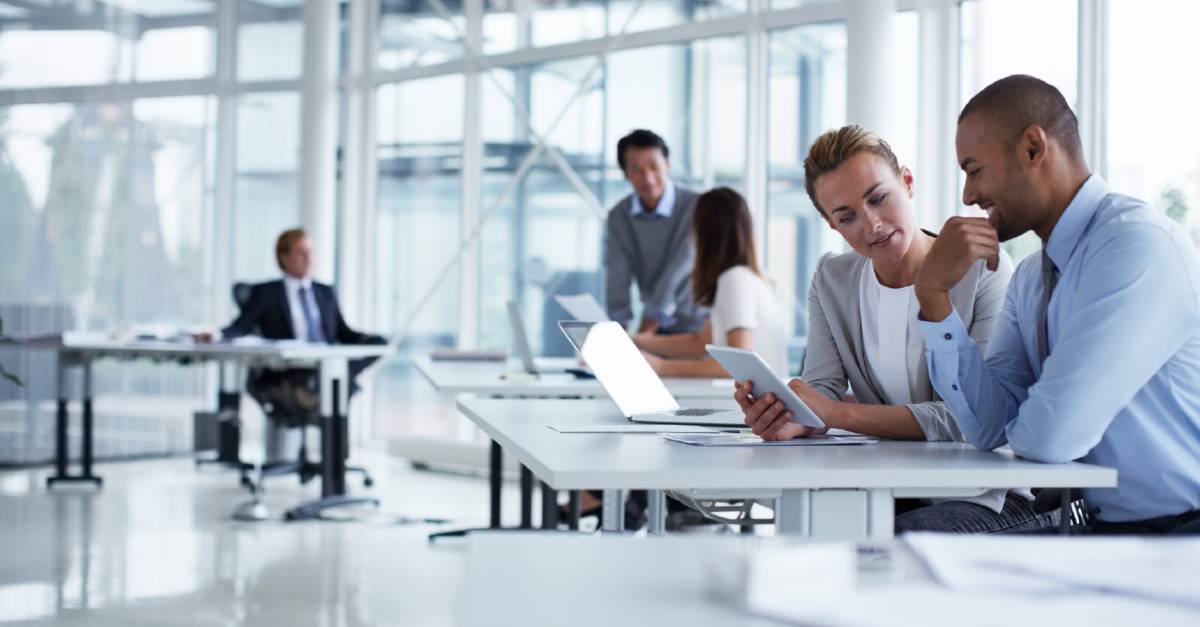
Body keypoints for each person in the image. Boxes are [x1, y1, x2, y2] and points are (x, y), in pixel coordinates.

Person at [912, 74, 1200, 534]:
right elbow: (988, 427)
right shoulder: (1030, 277)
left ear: (1032, 148)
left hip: (1183, 538)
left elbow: (1049, 438)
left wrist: (1025, 420)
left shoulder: (1135, 247)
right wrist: (932, 297)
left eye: (974, 169)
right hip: (1108, 533)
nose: (967, 195)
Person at [735, 124, 1051, 534]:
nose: (871, 225)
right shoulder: (833, 279)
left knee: (878, 543)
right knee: (810, 531)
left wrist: (837, 413)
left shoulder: (984, 271)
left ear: (907, 182)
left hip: (988, 495)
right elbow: (821, 391)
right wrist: (792, 415)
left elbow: (973, 418)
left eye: (879, 198)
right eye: (847, 216)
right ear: (832, 225)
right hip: (894, 488)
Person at [634, 187, 788, 377]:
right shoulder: (754, 279)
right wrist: (637, 341)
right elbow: (700, 341)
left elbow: (740, 364)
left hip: (750, 403)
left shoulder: (734, 280)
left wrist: (661, 367)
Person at [604, 129, 706, 335]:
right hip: (656, 327)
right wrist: (617, 333)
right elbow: (617, 276)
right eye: (637, 170)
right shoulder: (618, 216)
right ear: (626, 174)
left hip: (699, 324)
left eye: (654, 167)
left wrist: (644, 332)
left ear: (667, 165)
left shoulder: (697, 207)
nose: (648, 179)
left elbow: (679, 269)